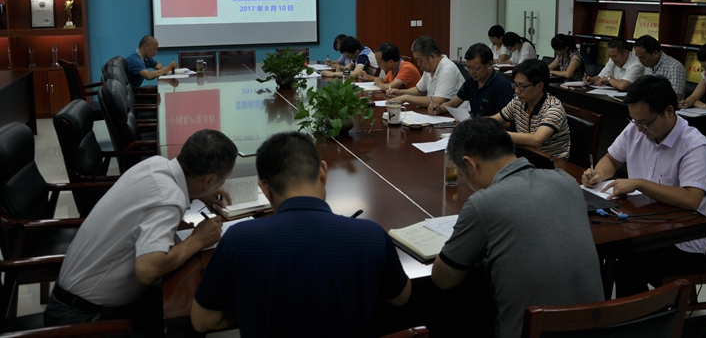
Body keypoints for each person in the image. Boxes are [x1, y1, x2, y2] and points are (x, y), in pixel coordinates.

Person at [191, 132, 411, 337]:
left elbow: (202, 321)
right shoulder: (371, 235)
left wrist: (249, 307)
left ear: (265, 189)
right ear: (323, 172)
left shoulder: (238, 240)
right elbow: (401, 297)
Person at [44, 129, 237, 327]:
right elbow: (148, 270)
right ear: (209, 180)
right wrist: (198, 239)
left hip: (74, 294)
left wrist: (197, 193)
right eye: (222, 179)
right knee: (186, 314)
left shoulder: (155, 164)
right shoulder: (168, 199)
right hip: (84, 317)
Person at [432, 118, 604, 338]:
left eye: (462, 174)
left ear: (470, 164)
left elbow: (443, 279)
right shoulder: (566, 181)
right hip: (597, 327)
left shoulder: (483, 203)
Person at [582, 76, 706, 296]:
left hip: (680, 239)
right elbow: (612, 159)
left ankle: (640, 314)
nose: (640, 128)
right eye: (634, 121)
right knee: (593, 246)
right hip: (641, 223)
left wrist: (640, 184)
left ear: (669, 111)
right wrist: (598, 174)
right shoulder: (636, 128)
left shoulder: (694, 146)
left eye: (645, 123)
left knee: (626, 261)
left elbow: (691, 199)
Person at [491, 59, 571, 159]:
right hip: (526, 156)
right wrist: (478, 124)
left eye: (522, 86)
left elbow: (536, 140)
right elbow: (494, 119)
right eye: (515, 85)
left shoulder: (553, 108)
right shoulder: (518, 102)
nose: (516, 91)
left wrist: (496, 134)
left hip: (551, 162)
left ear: (540, 86)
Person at [432, 43, 513, 118]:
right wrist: (440, 108)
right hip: (475, 125)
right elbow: (453, 103)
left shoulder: (502, 86)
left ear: (489, 65)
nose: (471, 72)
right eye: (468, 68)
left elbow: (506, 122)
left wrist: (474, 121)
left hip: (491, 127)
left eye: (476, 68)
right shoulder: (471, 81)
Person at [387, 36, 464, 109]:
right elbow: (419, 90)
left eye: (419, 60)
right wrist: (400, 92)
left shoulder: (448, 69)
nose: (418, 64)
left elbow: (437, 101)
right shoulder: (430, 67)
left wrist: (406, 98)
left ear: (432, 57)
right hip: (436, 113)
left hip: (456, 115)